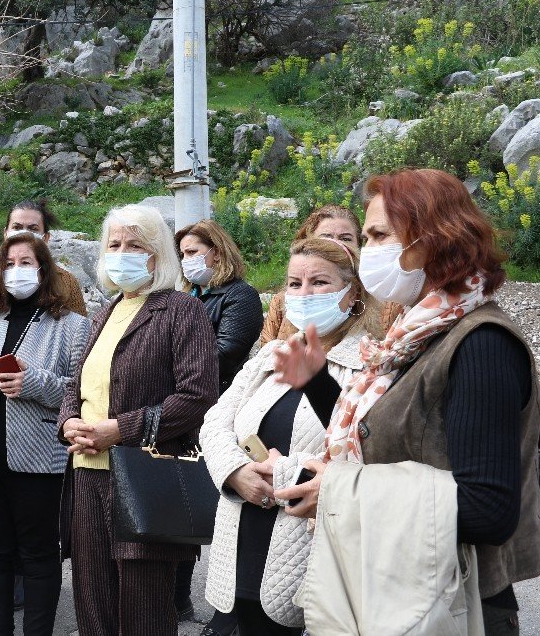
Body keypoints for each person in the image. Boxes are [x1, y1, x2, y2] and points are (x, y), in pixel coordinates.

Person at [272, 169, 540, 634]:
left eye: (378, 236)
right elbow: (396, 433)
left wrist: (337, 493)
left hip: (453, 605)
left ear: (429, 243)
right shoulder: (418, 335)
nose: (365, 252)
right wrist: (316, 383)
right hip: (400, 588)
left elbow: (488, 510)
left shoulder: (482, 345)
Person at [200, 238, 378, 635]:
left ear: (353, 294)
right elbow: (215, 421)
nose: (304, 294)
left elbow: (360, 449)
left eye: (319, 283)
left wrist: (281, 475)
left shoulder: (369, 364)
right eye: (294, 283)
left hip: (303, 543)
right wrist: (234, 472)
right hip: (240, 532)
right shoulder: (272, 354)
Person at [58, 204, 218, 636]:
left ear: (157, 256)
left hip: (144, 476)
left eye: (135, 245)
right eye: (114, 244)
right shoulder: (107, 310)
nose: (122, 252)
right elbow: (80, 383)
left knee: (143, 610)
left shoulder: (181, 310)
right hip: (87, 474)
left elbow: (197, 396)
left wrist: (120, 429)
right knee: (93, 603)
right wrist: (69, 421)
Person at [0, 233, 91, 635]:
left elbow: (79, 393)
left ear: (44, 270)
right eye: (8, 264)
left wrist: (33, 383)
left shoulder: (75, 327)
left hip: (39, 459)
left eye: (25, 262)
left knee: (39, 555)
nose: (16, 271)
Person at [173, 220, 263, 627]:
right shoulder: (188, 295)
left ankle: (228, 611)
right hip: (182, 411)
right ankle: (176, 597)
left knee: (223, 515)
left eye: (194, 252)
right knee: (178, 507)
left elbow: (228, 350)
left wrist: (173, 358)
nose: (188, 260)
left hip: (217, 412)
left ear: (218, 251)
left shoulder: (239, 296)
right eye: (184, 254)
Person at [0, 199, 86, 394]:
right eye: (17, 227)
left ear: (45, 237)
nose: (24, 232)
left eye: (33, 228)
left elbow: (79, 344)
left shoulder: (66, 280)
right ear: (5, 233)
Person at [260, 205, 404, 345]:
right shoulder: (282, 301)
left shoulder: (389, 299)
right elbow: (266, 348)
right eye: (326, 238)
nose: (335, 245)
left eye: (345, 239)